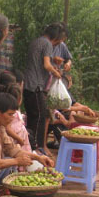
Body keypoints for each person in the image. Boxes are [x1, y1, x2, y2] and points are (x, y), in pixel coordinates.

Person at [0, 92, 54, 192]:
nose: (12, 118)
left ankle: (0, 190)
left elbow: (12, 149)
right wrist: (16, 161)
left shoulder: (0, 126)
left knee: (10, 163)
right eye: (10, 114)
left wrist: (38, 157)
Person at [24, 23, 64, 152]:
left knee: (32, 118)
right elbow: (47, 65)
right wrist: (56, 73)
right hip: (36, 86)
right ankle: (38, 149)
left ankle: (30, 147)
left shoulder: (36, 42)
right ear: (56, 37)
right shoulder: (47, 44)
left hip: (28, 85)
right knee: (40, 118)